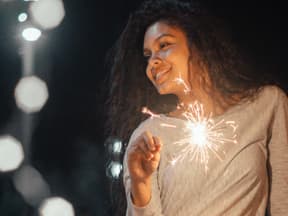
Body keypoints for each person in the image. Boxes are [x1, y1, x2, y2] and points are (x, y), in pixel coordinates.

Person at [106, 0, 288, 215]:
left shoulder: (267, 104)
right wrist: (140, 184)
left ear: (199, 44)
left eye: (164, 45)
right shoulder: (147, 137)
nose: (152, 63)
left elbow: (283, 202)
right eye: (148, 56)